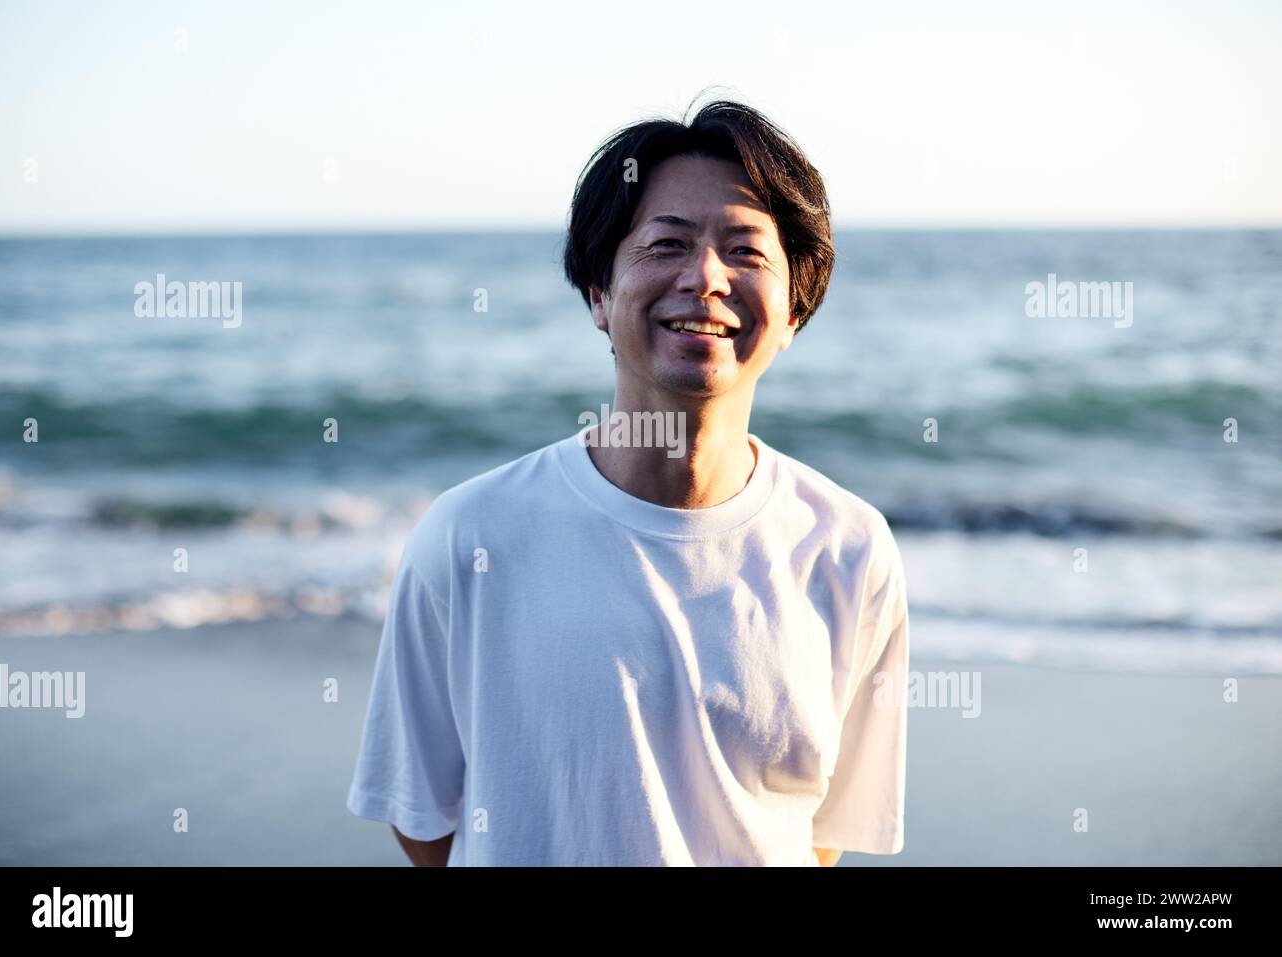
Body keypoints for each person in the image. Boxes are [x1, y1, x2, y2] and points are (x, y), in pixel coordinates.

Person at [346, 96, 910, 866]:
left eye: (746, 250)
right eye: (666, 243)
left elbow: (820, 837)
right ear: (599, 296)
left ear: (792, 313)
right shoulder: (469, 538)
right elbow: (422, 816)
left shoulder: (848, 549)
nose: (705, 277)